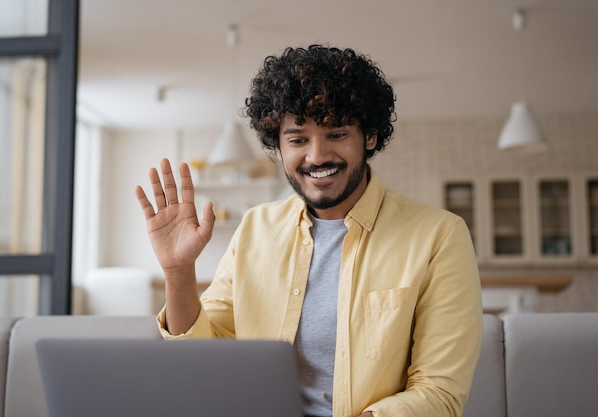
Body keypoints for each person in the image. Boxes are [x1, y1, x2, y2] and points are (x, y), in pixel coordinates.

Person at [135, 45, 482, 417]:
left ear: (369, 137)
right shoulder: (255, 229)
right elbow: (205, 359)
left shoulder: (439, 235)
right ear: (279, 149)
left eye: (336, 133)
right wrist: (178, 272)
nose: (317, 156)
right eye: (298, 139)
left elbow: (440, 392)